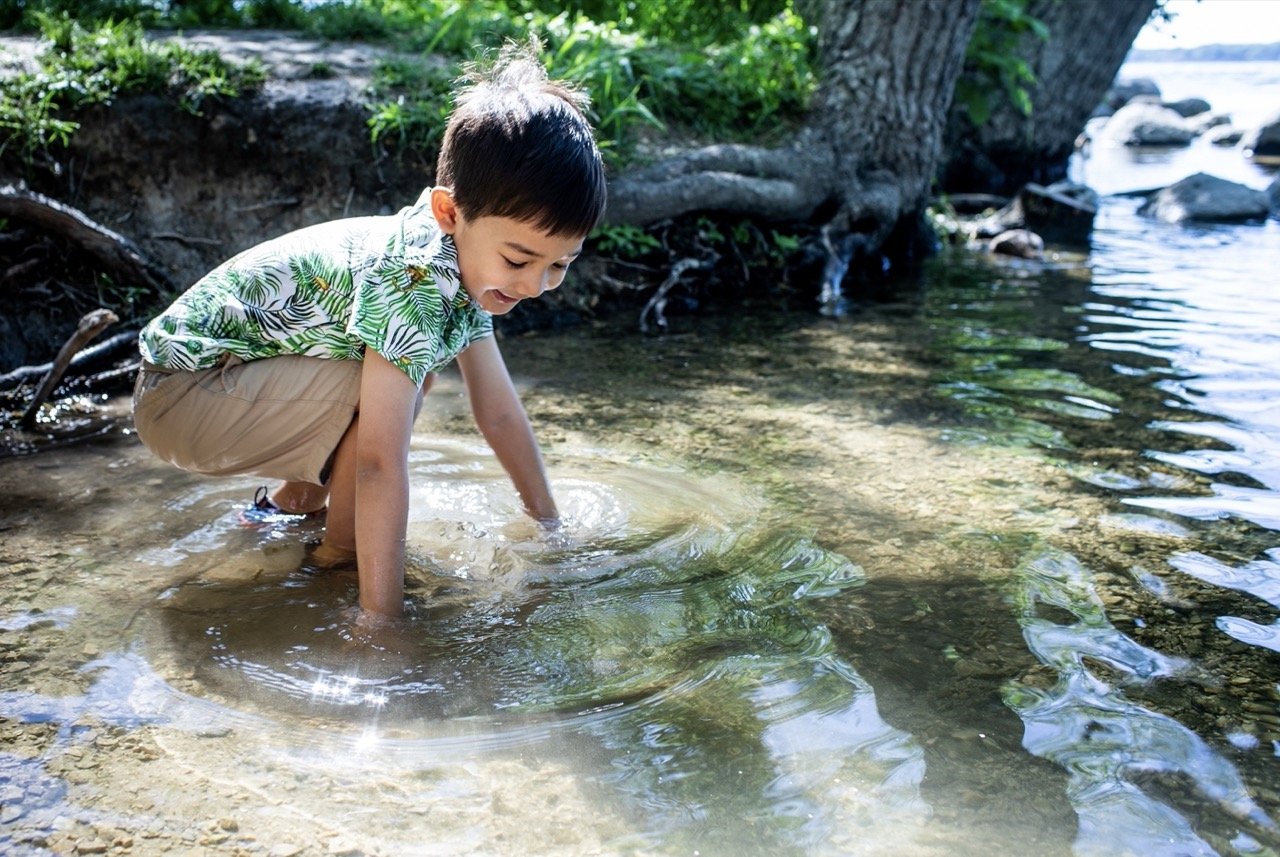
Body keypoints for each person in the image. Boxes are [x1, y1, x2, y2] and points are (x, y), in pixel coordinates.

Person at [132, 40, 607, 618]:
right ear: (450, 213)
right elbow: (379, 462)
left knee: (407, 375)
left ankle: (285, 511)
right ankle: (335, 561)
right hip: (182, 396)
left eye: (559, 265)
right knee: (397, 383)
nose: (535, 285)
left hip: (213, 391)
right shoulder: (412, 276)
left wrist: (549, 525)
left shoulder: (461, 267)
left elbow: (500, 412)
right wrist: (381, 619)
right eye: (519, 260)